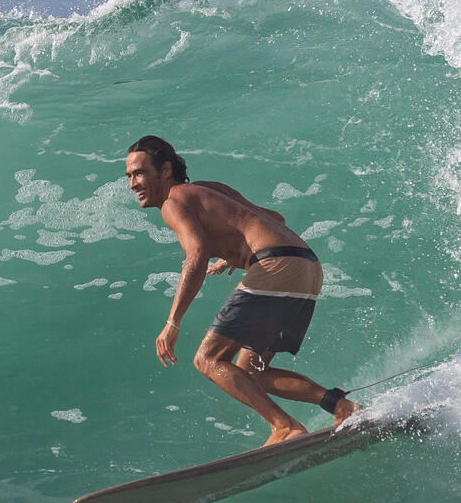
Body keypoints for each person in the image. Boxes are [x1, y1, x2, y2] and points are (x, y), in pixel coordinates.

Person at [125, 135, 361, 446]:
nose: (133, 184)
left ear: (165, 170)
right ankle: (341, 406)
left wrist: (173, 323)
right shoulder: (211, 190)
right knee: (252, 369)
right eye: (129, 176)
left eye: (139, 173)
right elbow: (274, 219)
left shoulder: (173, 202)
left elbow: (195, 254)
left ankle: (284, 426)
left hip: (275, 266)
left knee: (207, 359)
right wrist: (234, 253)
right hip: (307, 267)